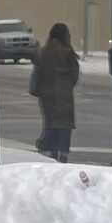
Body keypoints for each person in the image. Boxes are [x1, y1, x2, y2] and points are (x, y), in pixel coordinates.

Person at [29, 22, 80, 164]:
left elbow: (39, 72)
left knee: (51, 123)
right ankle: (63, 152)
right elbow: (74, 73)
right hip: (64, 94)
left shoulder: (45, 51)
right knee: (65, 124)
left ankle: (49, 150)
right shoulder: (68, 51)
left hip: (47, 95)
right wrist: (67, 84)